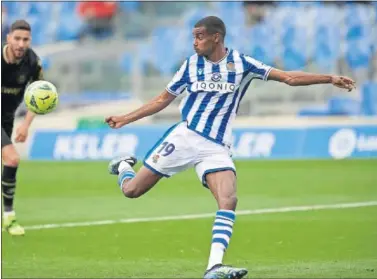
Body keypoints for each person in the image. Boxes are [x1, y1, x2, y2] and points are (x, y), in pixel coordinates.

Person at [105, 16, 355, 279]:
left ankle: (214, 266)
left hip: (216, 146)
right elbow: (162, 100)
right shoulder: (190, 65)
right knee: (132, 191)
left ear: (217, 37)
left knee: (229, 199)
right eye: (193, 36)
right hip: (185, 137)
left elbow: (289, 78)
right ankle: (123, 165)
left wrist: (329, 78)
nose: (195, 42)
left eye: (200, 36)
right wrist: (125, 118)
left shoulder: (242, 63)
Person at [2, 20, 44, 236]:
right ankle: (9, 216)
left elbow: (39, 95)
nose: (20, 43)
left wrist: (26, 125)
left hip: (7, 119)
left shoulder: (33, 62)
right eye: (16, 38)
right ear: (8, 38)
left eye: (25, 39)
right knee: (12, 158)